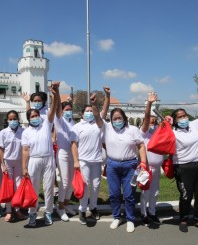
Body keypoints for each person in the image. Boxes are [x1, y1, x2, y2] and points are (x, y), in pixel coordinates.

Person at [101, 87, 147, 232]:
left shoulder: (132, 129)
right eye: (114, 118)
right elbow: (100, 115)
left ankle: (130, 219)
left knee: (129, 194)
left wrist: (143, 162)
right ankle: (116, 217)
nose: (117, 120)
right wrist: (107, 96)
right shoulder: (107, 128)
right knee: (114, 194)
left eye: (119, 118)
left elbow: (141, 146)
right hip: (113, 166)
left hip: (130, 166)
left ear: (124, 118)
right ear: (111, 120)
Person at [22, 82, 59, 227]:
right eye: (32, 116)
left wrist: (55, 94)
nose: (35, 117)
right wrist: (24, 167)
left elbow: (54, 108)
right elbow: (25, 151)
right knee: (34, 189)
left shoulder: (46, 125)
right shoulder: (26, 132)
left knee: (49, 188)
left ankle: (48, 212)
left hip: (48, 159)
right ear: (29, 118)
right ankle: (32, 214)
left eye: (36, 115)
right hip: (34, 161)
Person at [171, 108, 198, 233]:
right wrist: (166, 123)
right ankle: (183, 219)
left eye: (185, 115)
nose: (183, 118)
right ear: (175, 120)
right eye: (180, 117)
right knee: (186, 195)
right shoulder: (171, 132)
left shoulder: (194, 124)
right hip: (182, 167)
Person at [70, 92, 104, 225]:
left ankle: (93, 207)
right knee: (84, 186)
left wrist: (103, 98)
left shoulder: (98, 124)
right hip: (83, 160)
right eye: (87, 111)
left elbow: (103, 110)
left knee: (96, 186)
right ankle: (82, 210)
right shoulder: (77, 127)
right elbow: (74, 145)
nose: (89, 112)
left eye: (91, 110)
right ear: (82, 113)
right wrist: (76, 161)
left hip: (96, 160)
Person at [140, 92, 164, 226]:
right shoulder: (143, 131)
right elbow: (147, 118)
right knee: (145, 192)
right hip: (146, 168)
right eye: (150, 118)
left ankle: (152, 212)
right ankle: (143, 213)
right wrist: (149, 104)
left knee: (155, 192)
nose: (152, 120)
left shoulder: (158, 130)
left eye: (154, 118)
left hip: (157, 167)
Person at [0, 110, 26, 222]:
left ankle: (17, 209)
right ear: (7, 120)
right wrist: (3, 164)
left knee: (18, 186)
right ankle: (9, 210)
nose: (13, 121)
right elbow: (1, 150)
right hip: (7, 162)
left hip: (19, 162)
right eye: (10, 119)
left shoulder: (23, 132)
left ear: (18, 120)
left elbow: (25, 149)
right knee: (8, 187)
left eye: (14, 118)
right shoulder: (3, 132)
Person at [54, 95, 77, 222]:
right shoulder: (59, 120)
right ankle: (60, 206)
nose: (69, 111)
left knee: (71, 181)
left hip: (72, 153)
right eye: (66, 109)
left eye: (70, 109)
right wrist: (56, 93)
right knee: (64, 181)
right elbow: (57, 109)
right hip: (62, 153)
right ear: (62, 111)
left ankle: (66, 203)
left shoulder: (72, 121)